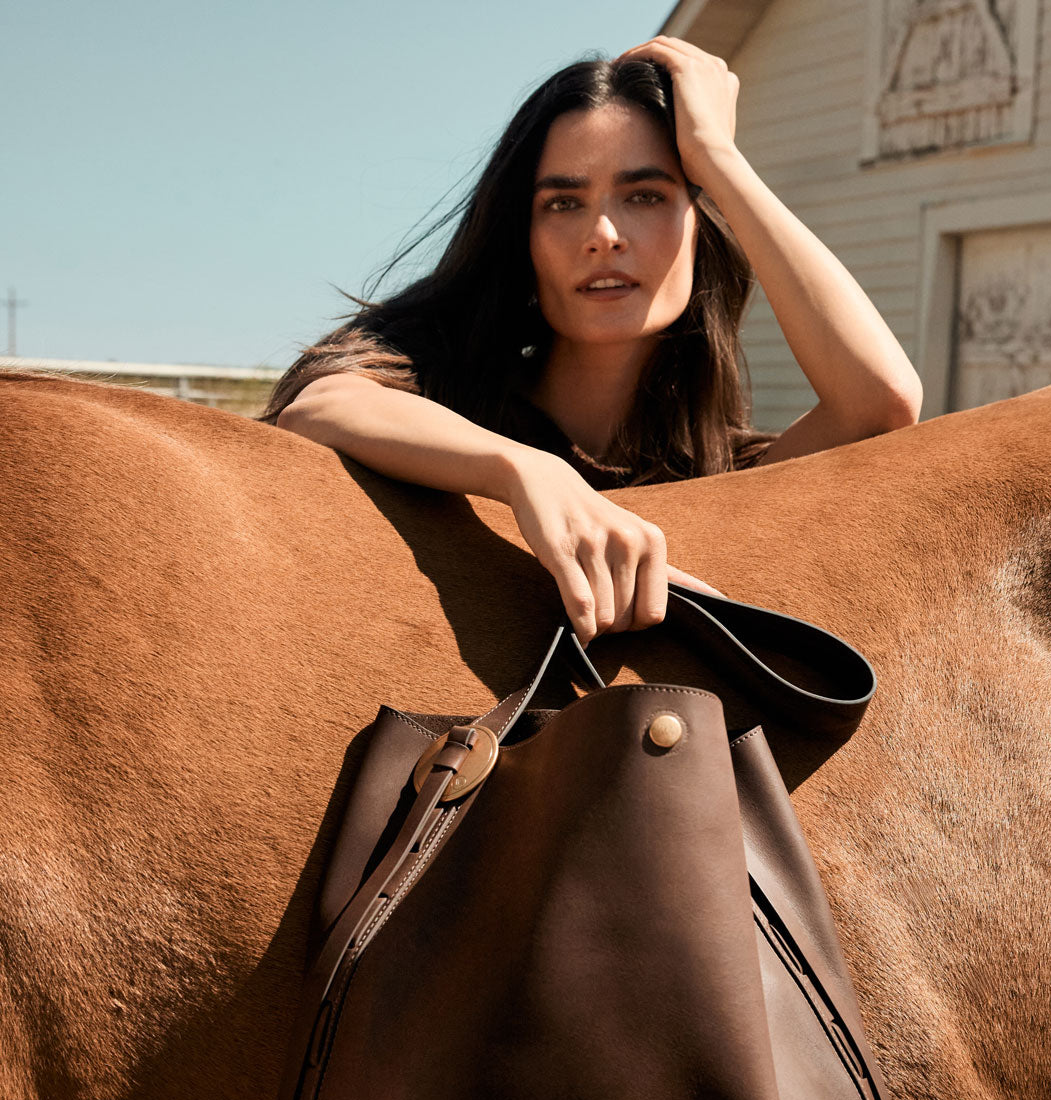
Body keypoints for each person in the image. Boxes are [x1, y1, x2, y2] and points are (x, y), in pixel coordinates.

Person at [264, 36, 921, 644]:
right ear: (522, 241)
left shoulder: (726, 477)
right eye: (563, 203)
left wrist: (718, 157)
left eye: (645, 195)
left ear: (700, 227)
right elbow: (319, 405)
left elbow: (880, 400)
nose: (604, 232)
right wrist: (528, 473)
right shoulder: (453, 408)